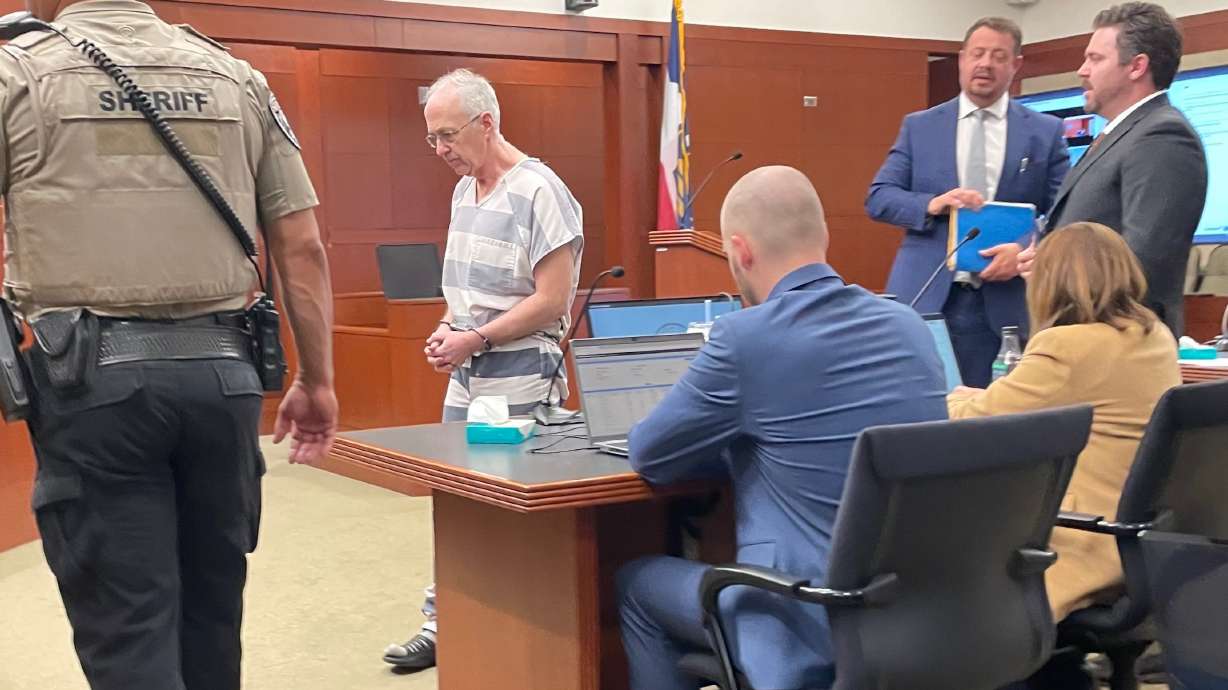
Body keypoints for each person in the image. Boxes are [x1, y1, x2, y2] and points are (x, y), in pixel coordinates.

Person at [0, 1, 337, 688]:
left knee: (131, 629)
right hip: (225, 379)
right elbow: (301, 247)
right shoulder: (236, 78)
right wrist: (318, 380)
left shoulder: (18, 73)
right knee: (214, 620)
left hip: (91, 391)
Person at [616, 166, 948, 690]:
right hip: (910, 615)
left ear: (740, 251)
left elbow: (650, 454)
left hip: (803, 615)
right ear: (824, 237)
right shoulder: (909, 325)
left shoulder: (744, 339)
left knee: (636, 584)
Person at [382, 68, 584, 671]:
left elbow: (553, 300)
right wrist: (452, 328)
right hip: (468, 372)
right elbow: (468, 289)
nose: (440, 149)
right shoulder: (463, 192)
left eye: (447, 135)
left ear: (487, 122)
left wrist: (475, 335)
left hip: (523, 373)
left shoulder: (539, 190)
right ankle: (445, 621)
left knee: (508, 504)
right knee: (457, 497)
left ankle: (519, 625)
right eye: (432, 138)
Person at [949, 222, 1180, 689]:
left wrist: (949, 394)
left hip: (1086, 544)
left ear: (1053, 281)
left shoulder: (1068, 347)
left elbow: (980, 421)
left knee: (952, 558)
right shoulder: (1154, 335)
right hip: (1149, 544)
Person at [866, 16, 1069, 387]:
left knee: (992, 422)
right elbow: (879, 197)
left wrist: (1027, 250)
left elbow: (1065, 215)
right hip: (927, 297)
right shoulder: (920, 127)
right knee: (920, 414)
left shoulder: (1044, 132)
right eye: (977, 54)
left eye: (997, 56)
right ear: (961, 60)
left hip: (1006, 301)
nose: (985, 64)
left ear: (1015, 65)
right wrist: (932, 204)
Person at [1026, 2, 1207, 338]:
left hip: (1118, 346)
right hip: (1082, 338)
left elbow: (1141, 262)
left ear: (1137, 66)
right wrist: (1043, 261)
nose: (1082, 70)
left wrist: (1061, 275)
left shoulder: (1162, 136)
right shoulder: (1122, 133)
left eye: (1095, 59)